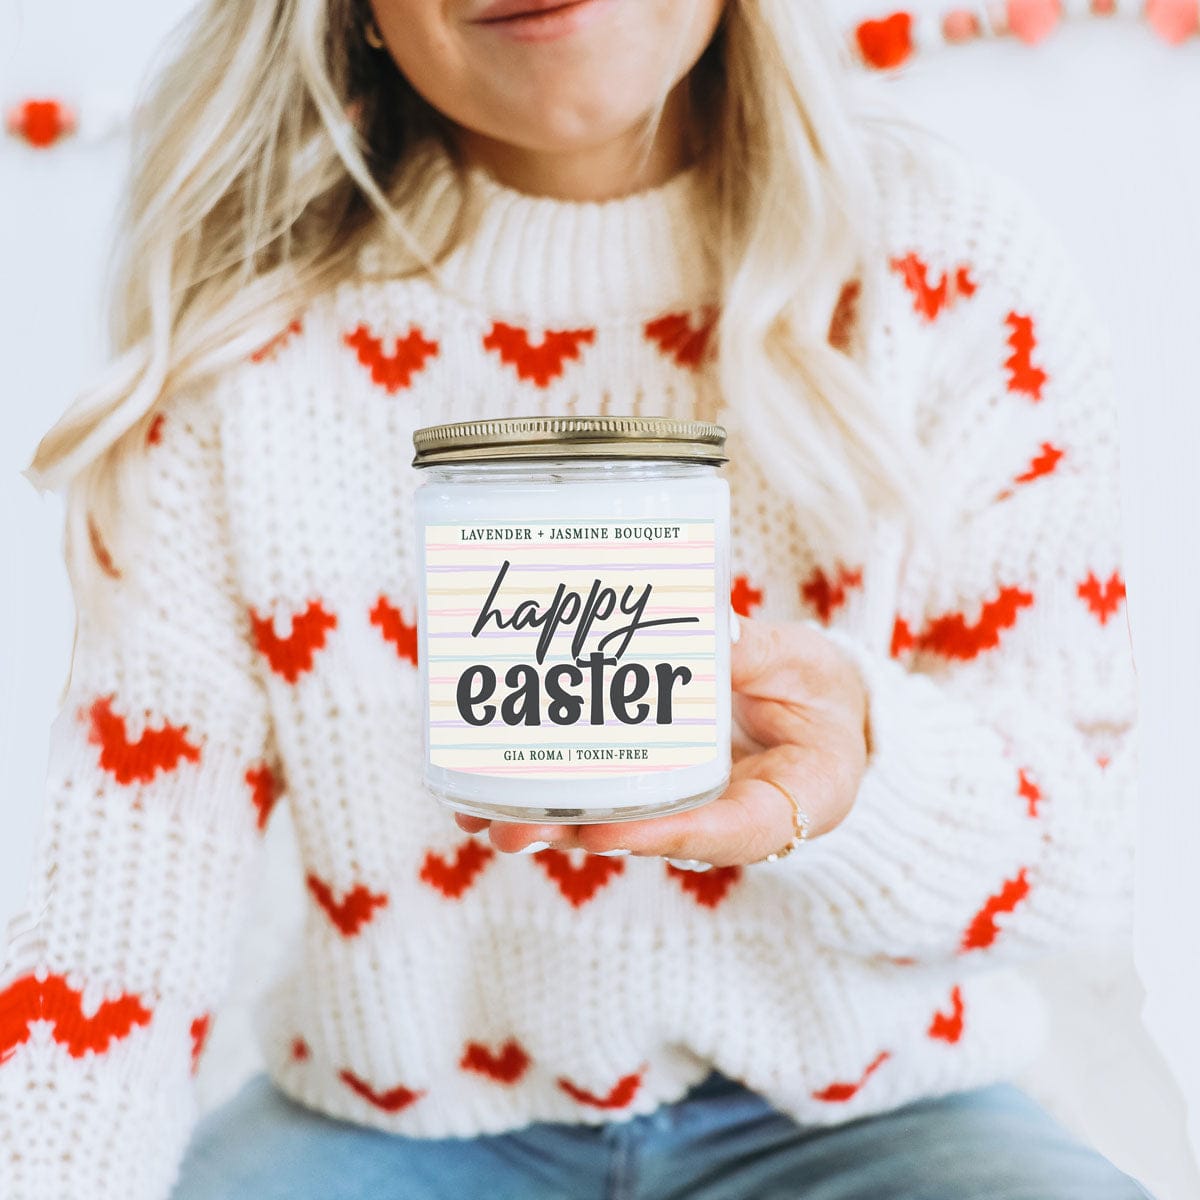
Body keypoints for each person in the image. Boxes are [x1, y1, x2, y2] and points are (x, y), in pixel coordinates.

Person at [0, 0, 1150, 1197]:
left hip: (874, 1109)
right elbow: (108, 949)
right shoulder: (244, 361)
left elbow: (1080, 858)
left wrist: (864, 780)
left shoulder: (946, 271)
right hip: (391, 1129)